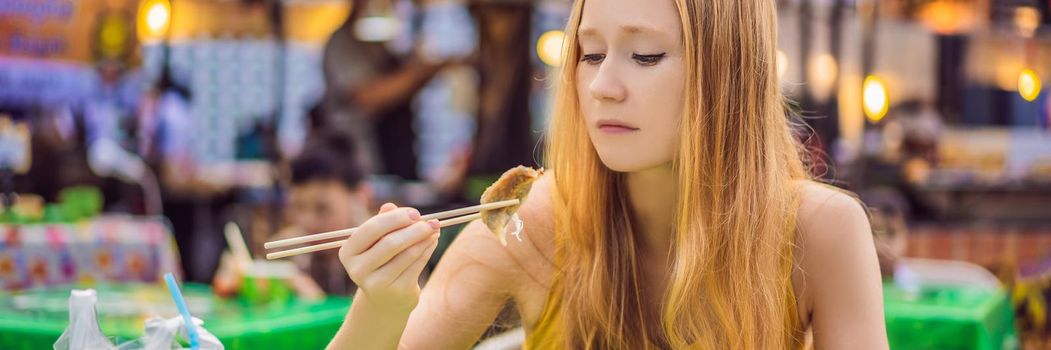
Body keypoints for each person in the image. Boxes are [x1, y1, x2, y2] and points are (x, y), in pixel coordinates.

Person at [326, 0, 888, 348]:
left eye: (644, 56)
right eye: (590, 55)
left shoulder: (818, 229)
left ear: (730, 74)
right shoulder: (535, 220)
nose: (601, 87)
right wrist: (382, 303)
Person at [214, 134, 371, 296]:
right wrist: (238, 283)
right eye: (298, 206)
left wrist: (316, 303)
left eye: (322, 208)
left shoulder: (379, 252)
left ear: (360, 197)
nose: (306, 220)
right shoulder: (286, 249)